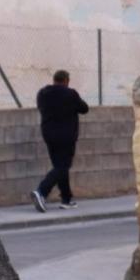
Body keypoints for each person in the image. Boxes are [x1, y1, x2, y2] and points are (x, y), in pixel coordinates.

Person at [31, 69, 89, 212]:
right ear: (66, 81)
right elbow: (84, 108)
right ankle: (41, 191)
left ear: (54, 79)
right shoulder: (70, 94)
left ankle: (66, 199)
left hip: (49, 135)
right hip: (66, 136)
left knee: (59, 166)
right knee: (63, 166)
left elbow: (41, 108)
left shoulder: (42, 94)